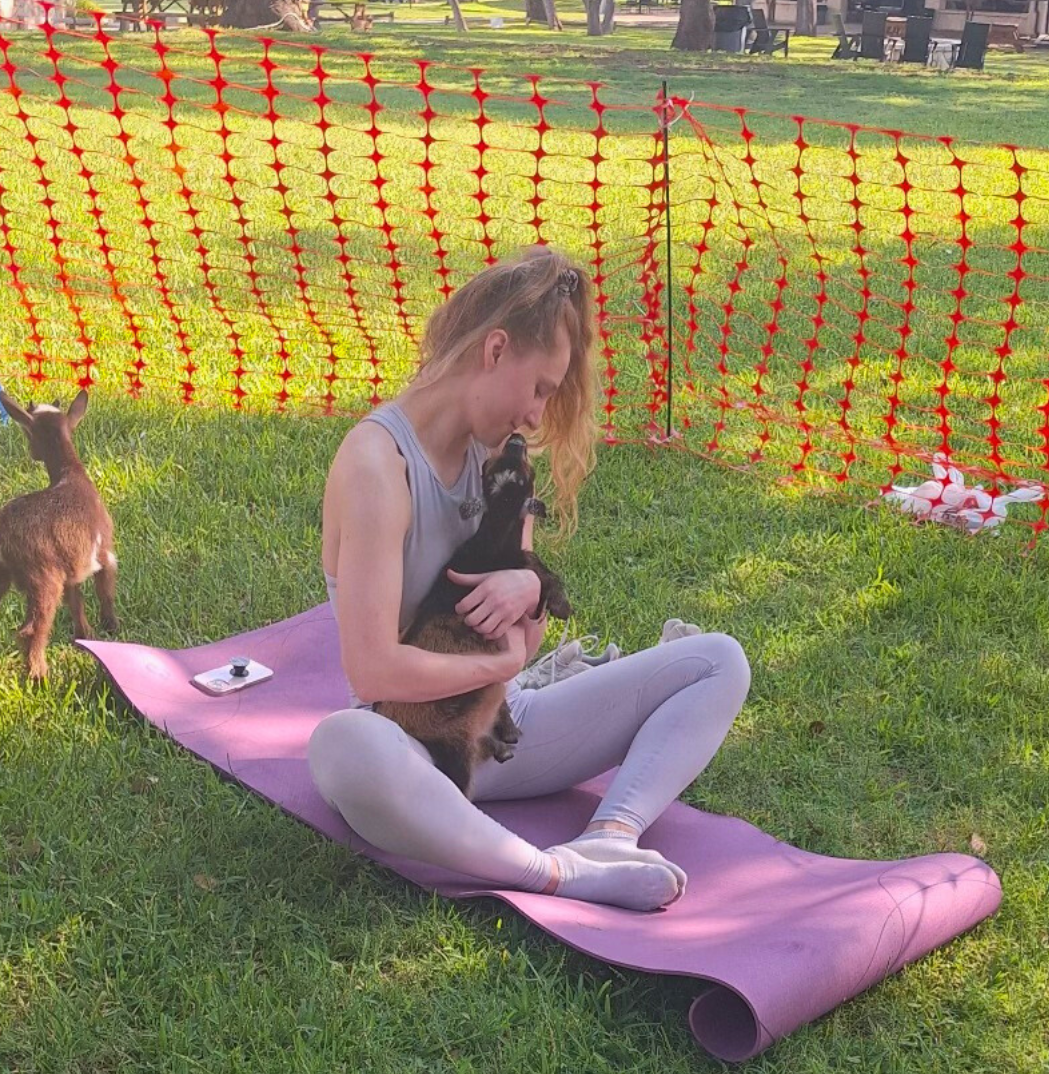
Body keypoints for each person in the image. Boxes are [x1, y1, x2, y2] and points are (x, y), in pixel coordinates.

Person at [309, 248, 751, 912]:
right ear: (495, 350)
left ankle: (610, 837)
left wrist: (531, 593)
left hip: (502, 729)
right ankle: (555, 873)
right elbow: (373, 672)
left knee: (719, 661)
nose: (539, 416)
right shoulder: (377, 465)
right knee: (344, 744)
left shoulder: (500, 456)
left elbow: (527, 636)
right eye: (540, 388)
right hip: (411, 746)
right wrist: (506, 660)